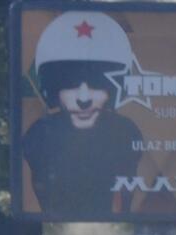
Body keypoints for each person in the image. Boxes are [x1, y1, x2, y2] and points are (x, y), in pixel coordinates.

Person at [23, 11, 142, 217]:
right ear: (51, 88)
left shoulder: (125, 133)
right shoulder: (40, 136)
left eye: (97, 84)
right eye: (69, 85)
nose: (83, 98)